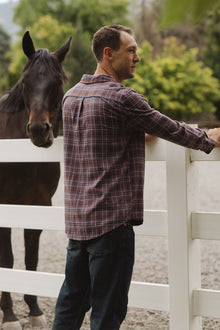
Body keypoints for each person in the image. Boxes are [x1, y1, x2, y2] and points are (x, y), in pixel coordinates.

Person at [52, 25, 220, 330]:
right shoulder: (122, 98)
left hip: (77, 227)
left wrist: (130, 133)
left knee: (70, 305)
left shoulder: (71, 97)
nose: (137, 58)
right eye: (131, 50)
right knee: (107, 313)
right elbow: (171, 129)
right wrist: (207, 137)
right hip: (111, 226)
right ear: (108, 53)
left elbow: (97, 136)